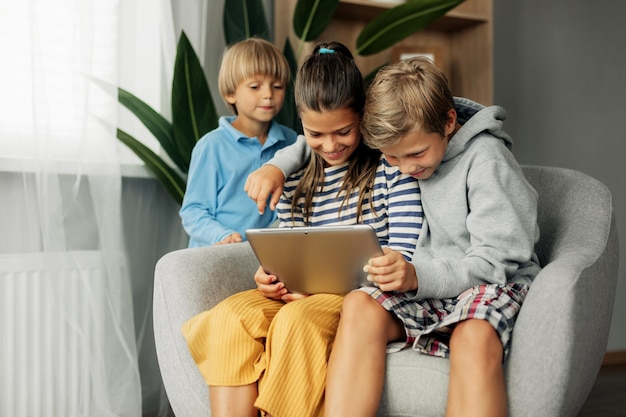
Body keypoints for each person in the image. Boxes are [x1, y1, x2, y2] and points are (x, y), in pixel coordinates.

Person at [246, 56, 542, 417]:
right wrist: (276, 166)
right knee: (359, 305)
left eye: (415, 154)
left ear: (449, 122)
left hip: (490, 280)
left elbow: (497, 261)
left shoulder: (486, 160)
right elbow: (317, 138)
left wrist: (417, 275)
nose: (405, 169)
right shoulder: (404, 148)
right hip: (429, 283)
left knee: (474, 336)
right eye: (392, 158)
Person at [181, 42, 422, 417]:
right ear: (301, 128)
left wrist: (320, 290)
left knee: (297, 321)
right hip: (298, 294)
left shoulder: (391, 167)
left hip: (362, 296)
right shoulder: (294, 174)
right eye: (315, 135)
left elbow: (404, 255)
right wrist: (269, 276)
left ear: (363, 115)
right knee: (228, 318)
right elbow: (287, 243)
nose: (330, 145)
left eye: (343, 131)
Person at [179, 37, 297, 247]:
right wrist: (221, 235)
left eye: (277, 86)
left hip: (262, 258)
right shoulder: (212, 146)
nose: (268, 94)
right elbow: (193, 211)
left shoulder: (291, 142)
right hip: (216, 258)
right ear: (230, 94)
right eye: (255, 86)